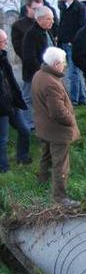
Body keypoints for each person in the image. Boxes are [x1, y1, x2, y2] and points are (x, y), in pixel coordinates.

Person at [32, 47, 81, 207]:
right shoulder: (52, 83)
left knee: (45, 157)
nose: (65, 66)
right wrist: (72, 121)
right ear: (55, 64)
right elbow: (58, 112)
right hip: (57, 131)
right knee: (61, 164)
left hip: (44, 127)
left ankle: (41, 184)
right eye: (63, 63)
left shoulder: (39, 75)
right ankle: (60, 198)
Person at [0, 30, 32, 173]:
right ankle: (4, 168)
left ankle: (22, 158)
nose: (6, 44)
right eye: (3, 41)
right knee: (3, 139)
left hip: (12, 102)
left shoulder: (3, 57)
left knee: (25, 130)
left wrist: (17, 98)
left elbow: (11, 81)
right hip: (2, 107)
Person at [21, 6, 56, 130]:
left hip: (48, 73)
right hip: (34, 74)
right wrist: (41, 72)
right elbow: (30, 57)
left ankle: (45, 122)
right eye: (48, 19)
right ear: (39, 19)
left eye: (52, 19)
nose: (52, 21)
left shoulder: (47, 31)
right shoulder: (31, 34)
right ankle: (29, 125)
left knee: (45, 99)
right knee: (28, 98)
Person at [11, 0, 42, 131]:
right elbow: (19, 48)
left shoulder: (43, 22)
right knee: (27, 96)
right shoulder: (19, 25)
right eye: (35, 9)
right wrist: (32, 62)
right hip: (30, 66)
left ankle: (41, 122)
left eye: (39, 9)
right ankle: (28, 124)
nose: (37, 12)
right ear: (28, 8)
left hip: (44, 65)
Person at [57, 0, 86, 105]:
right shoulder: (63, 7)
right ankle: (81, 98)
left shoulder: (79, 8)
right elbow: (62, 25)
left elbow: (82, 27)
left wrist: (73, 41)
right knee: (74, 72)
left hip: (73, 44)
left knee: (72, 72)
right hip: (64, 43)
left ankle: (74, 100)